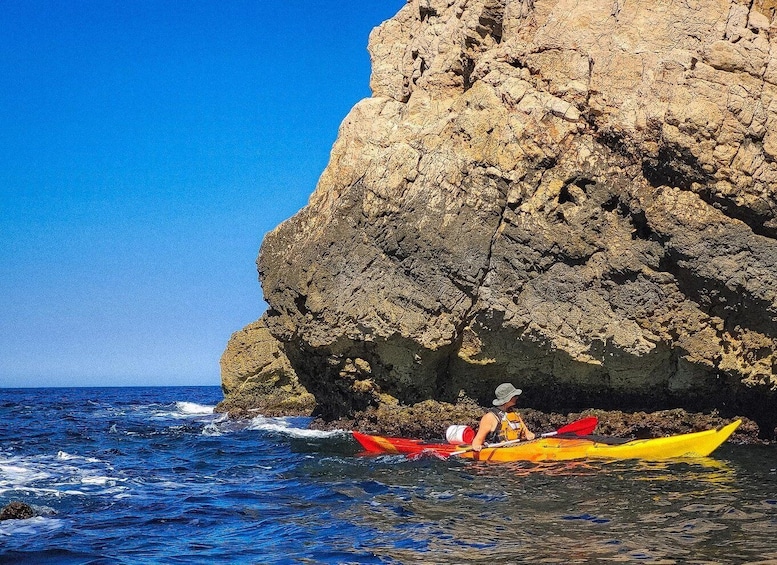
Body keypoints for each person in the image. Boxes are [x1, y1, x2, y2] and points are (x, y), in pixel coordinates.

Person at [471, 383, 535, 452]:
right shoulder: (490, 417)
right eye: (514, 396)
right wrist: (477, 446)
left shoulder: (514, 414)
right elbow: (477, 441)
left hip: (516, 449)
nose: (517, 398)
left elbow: (527, 432)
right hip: (498, 456)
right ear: (508, 399)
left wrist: (529, 435)